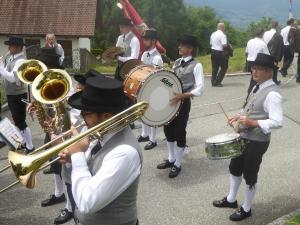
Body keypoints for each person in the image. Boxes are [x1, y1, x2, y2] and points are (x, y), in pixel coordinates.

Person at [58, 75, 142, 225]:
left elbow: (86, 202)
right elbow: (88, 172)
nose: (83, 120)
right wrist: (75, 158)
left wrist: (77, 154)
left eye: (87, 114)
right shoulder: (100, 133)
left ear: (106, 116)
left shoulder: (124, 153)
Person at [213, 53, 283, 222]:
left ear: (269, 72)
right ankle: (231, 200)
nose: (254, 71)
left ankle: (246, 208)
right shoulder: (256, 86)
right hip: (244, 136)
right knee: (235, 167)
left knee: (250, 174)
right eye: (254, 68)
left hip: (258, 141)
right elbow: (248, 109)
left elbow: (277, 121)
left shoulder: (273, 94)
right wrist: (237, 117)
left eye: (259, 69)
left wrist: (253, 122)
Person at [157, 34, 204, 178]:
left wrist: (183, 96)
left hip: (183, 102)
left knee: (179, 132)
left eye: (182, 45)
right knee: (168, 129)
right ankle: (171, 159)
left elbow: (200, 88)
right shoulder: (177, 62)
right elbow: (170, 80)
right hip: (171, 101)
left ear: (190, 49)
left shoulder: (197, 65)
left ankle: (178, 163)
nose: (179, 47)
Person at [0, 36, 34, 153]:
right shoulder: (11, 58)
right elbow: (6, 73)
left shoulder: (20, 61)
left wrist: (0, 67)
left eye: (11, 45)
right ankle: (23, 144)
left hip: (18, 95)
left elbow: (11, 78)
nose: (8, 47)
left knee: (20, 121)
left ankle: (30, 146)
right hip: (11, 94)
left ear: (18, 47)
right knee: (17, 120)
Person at [137, 29, 163, 150]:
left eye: (146, 39)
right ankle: (144, 134)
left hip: (153, 88)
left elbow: (157, 76)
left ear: (153, 41)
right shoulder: (144, 54)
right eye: (144, 39)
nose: (144, 41)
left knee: (152, 114)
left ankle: (153, 140)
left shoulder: (157, 58)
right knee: (142, 111)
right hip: (144, 87)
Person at [246, 28, 270, 94]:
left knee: (254, 78)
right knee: (257, 79)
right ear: (262, 34)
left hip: (249, 62)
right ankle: (251, 93)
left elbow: (247, 52)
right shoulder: (262, 43)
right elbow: (267, 55)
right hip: (257, 63)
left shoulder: (250, 41)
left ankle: (252, 92)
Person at [210, 22, 230, 87]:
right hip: (220, 52)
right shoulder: (222, 35)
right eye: (224, 27)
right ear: (222, 28)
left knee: (214, 68)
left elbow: (211, 43)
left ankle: (213, 81)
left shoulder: (213, 34)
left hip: (213, 51)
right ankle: (217, 82)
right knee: (224, 67)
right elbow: (224, 45)